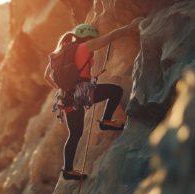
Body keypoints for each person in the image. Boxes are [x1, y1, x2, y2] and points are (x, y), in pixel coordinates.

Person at [44, 17, 143, 180]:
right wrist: (130, 26)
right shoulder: (85, 46)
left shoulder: (60, 52)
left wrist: (64, 88)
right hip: (82, 93)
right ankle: (105, 121)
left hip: (65, 97)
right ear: (88, 36)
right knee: (116, 91)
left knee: (74, 134)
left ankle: (68, 170)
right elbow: (111, 36)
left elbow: (46, 76)